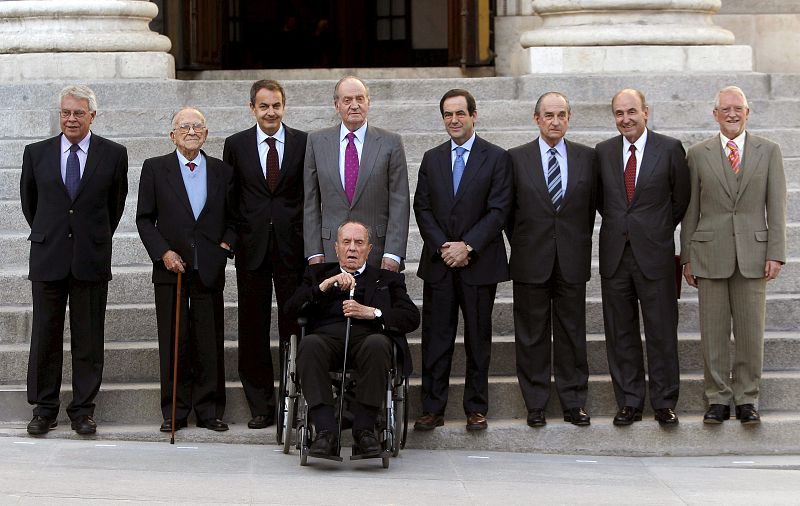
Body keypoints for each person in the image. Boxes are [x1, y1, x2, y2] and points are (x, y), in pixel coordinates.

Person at [21, 85, 128, 436]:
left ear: (92, 116)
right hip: (48, 255)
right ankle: (44, 409)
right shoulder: (36, 153)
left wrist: (91, 237)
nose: (71, 119)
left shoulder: (114, 154)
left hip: (90, 257)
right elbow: (30, 204)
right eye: (65, 112)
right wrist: (53, 233)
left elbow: (115, 206)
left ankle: (83, 410)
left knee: (89, 338)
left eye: (78, 113)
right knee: (45, 336)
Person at [681, 86, 786, 425]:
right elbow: (690, 210)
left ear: (747, 112)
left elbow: (777, 207)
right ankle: (717, 398)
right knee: (712, 333)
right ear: (715, 114)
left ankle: (747, 398)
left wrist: (776, 252)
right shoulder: (697, 154)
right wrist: (687, 257)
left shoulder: (769, 151)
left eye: (738, 108)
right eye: (725, 108)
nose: (731, 114)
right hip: (709, 253)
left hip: (754, 254)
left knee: (750, 332)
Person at [412, 89, 512, 432]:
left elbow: (499, 210)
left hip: (479, 265)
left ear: (473, 115)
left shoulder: (496, 158)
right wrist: (444, 246)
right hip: (440, 264)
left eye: (459, 113)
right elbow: (422, 207)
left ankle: (476, 408)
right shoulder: (432, 158)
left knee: (478, 340)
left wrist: (467, 246)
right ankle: (432, 408)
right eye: (447, 115)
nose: (453, 120)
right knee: (436, 340)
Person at [136, 108, 236, 433]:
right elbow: (144, 219)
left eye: (197, 127)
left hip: (209, 267)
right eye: (184, 127)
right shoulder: (155, 168)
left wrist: (223, 248)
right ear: (172, 135)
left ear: (206, 134)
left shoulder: (222, 171)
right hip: (171, 269)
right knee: (173, 340)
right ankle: (175, 411)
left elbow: (235, 217)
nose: (191, 131)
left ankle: (209, 410)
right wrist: (163, 252)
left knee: (209, 340)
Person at [596, 89, 690, 426]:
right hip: (615, 255)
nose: (626, 119)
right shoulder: (603, 152)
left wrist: (655, 229)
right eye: (619, 113)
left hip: (655, 255)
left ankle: (664, 403)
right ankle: (630, 402)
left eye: (631, 111)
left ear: (646, 112)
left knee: (661, 331)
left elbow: (681, 199)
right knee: (620, 332)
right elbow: (601, 201)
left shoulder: (670, 148)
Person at [286, 221, 419, 458]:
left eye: (359, 243)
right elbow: (290, 310)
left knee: (378, 344)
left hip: (368, 339)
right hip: (326, 339)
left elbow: (411, 317)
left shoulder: (387, 279)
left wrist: (373, 313)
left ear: (369, 249)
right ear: (336, 248)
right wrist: (322, 288)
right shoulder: (317, 275)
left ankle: (364, 430)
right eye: (346, 242)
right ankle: (325, 431)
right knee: (309, 345)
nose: (352, 248)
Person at [507, 92, 598, 428]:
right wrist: (527, 243)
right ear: (537, 119)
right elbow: (509, 213)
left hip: (572, 258)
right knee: (531, 335)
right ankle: (535, 403)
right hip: (531, 258)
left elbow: (590, 207)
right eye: (549, 115)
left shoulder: (587, 157)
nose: (555, 121)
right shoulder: (516, 158)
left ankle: (574, 402)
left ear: (569, 118)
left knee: (572, 333)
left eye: (561, 115)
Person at [223, 80, 308, 429]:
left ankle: (295, 399)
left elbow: (309, 194)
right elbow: (230, 196)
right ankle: (260, 405)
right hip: (252, 249)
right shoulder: (236, 145)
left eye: (276, 105)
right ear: (252, 108)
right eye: (264, 106)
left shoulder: (304, 142)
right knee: (252, 328)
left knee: (295, 326)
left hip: (293, 249)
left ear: (284, 106)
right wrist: (231, 238)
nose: (270, 112)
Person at [303, 75, 410, 271]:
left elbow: (399, 201)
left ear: (369, 102)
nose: (354, 105)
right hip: (330, 250)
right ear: (336, 105)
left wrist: (393, 252)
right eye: (347, 100)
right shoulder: (316, 142)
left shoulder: (391, 142)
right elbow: (310, 202)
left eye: (360, 99)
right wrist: (314, 251)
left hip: (377, 250)